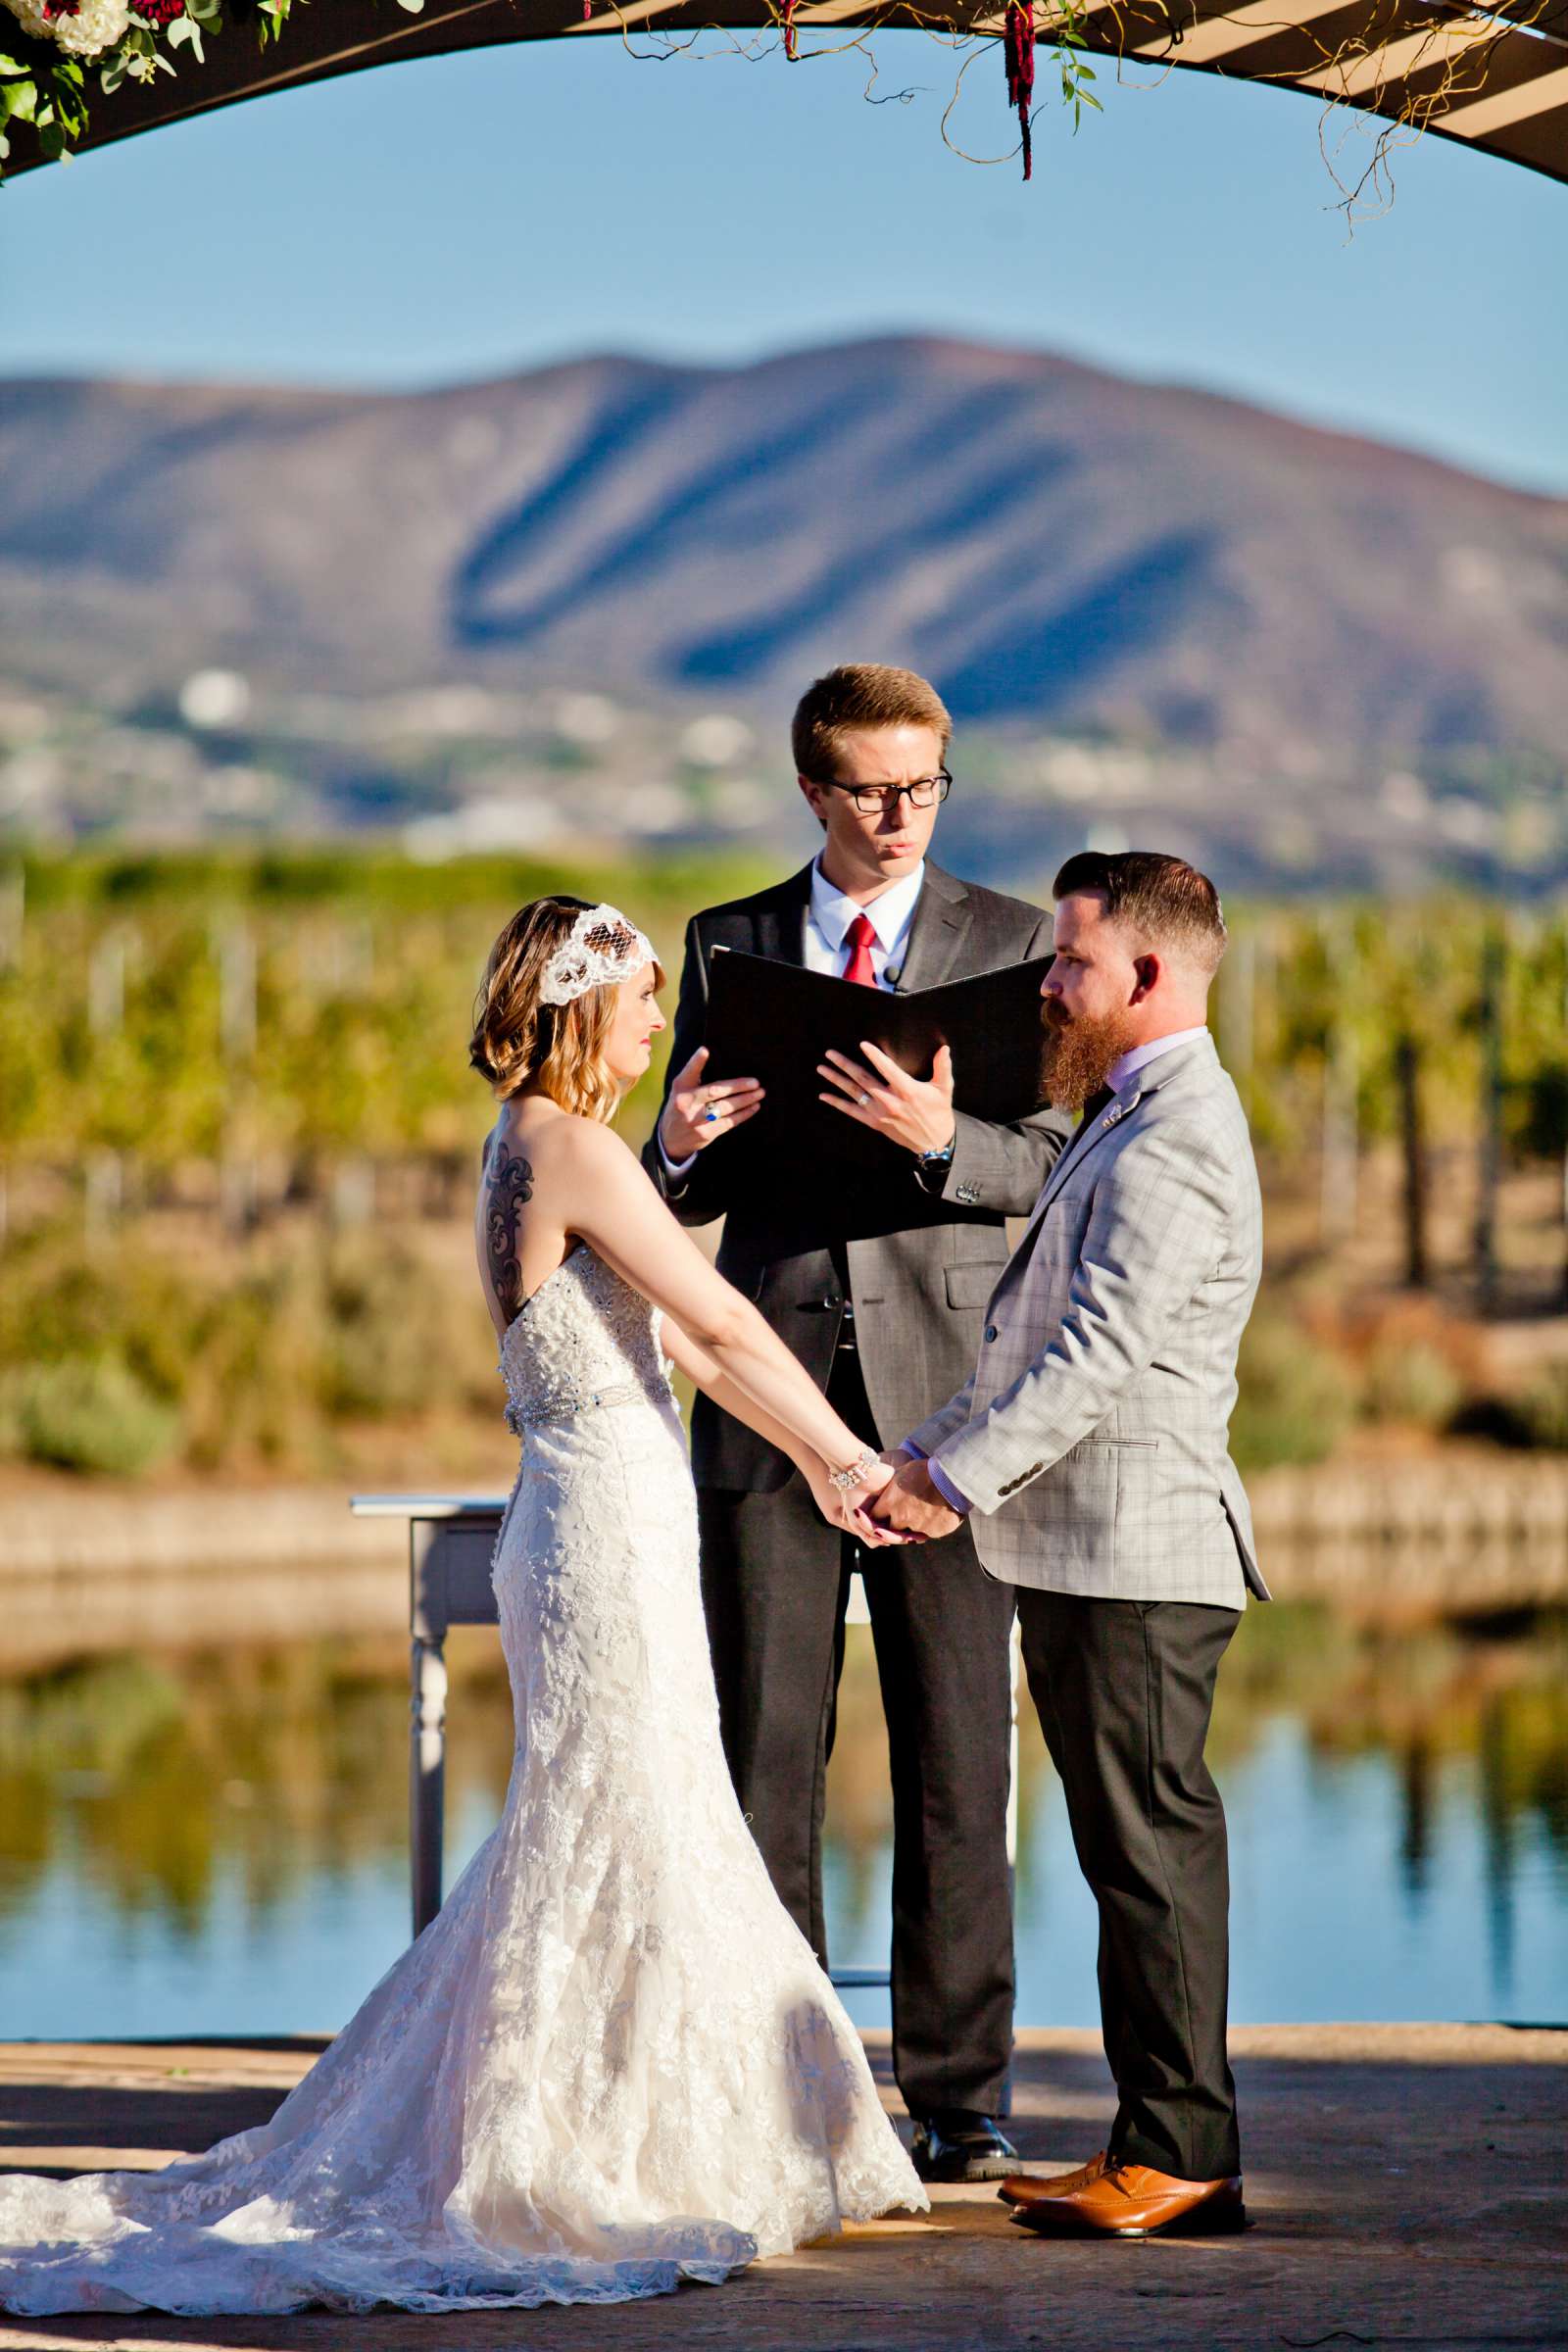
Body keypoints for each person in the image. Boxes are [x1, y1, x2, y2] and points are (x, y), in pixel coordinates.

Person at [0, 898, 924, 2319]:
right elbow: (730, 1324)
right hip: (603, 1524)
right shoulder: (576, 1147)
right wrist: (858, 1457)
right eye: (639, 1002)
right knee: (621, 1814)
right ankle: (586, 2144)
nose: (658, 1027)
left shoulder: (530, 1143)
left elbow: (694, 1349)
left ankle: (640, 2119)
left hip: (593, 1512)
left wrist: (824, 1465)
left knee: (625, 1811)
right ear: (577, 1010)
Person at [643, 663, 1068, 2183]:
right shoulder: (728, 943)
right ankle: (788, 2087)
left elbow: (1060, 1167)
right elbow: (669, 1188)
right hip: (769, 1405)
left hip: (953, 1415)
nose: (901, 818)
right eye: (872, 791)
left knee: (961, 1759)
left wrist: (948, 1141)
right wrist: (677, 1147)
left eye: (926, 787)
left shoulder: (1015, 943)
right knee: (765, 1751)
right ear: (813, 792)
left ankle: (961, 2098)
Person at [871, 851, 1269, 2239]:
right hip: (1091, 1553)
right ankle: (1149, 2145)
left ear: (1149, 976)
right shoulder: (1126, 1112)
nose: (1048, 983)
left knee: (1150, 1856)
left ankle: (1183, 2159)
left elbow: (1094, 1359)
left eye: (1071, 963)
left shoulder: (1178, 1136)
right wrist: (924, 1453)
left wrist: (953, 1486)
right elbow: (1025, 1337)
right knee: (1124, 1856)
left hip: (1144, 1560)